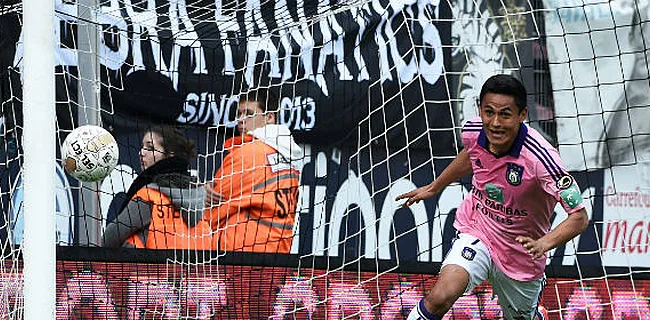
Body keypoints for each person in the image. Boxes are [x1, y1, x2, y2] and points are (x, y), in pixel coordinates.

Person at [397, 74, 589, 319]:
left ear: (522, 115)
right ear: (480, 110)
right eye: (489, 112)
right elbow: (472, 154)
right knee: (440, 297)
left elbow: (580, 218)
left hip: (521, 256)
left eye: (505, 114)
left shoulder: (543, 159)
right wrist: (434, 187)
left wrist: (544, 243)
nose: (495, 123)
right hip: (479, 231)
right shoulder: (474, 130)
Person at [204, 88, 303, 253]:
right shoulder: (290, 155)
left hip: (241, 254)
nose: (241, 120)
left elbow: (213, 206)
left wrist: (203, 193)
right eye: (239, 114)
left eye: (249, 113)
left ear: (269, 117)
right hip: (280, 251)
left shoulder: (245, 155)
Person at [103, 125, 213, 249]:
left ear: (170, 156)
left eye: (150, 148)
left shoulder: (149, 195)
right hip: (194, 268)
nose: (141, 153)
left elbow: (110, 237)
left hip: (150, 267)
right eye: (142, 147)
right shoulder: (199, 195)